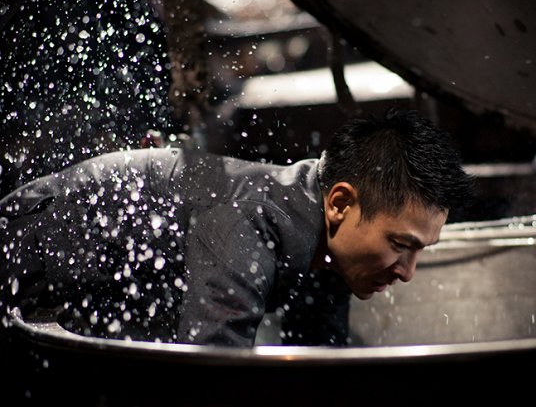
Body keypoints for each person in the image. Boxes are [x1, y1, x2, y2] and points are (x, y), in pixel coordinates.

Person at [0, 108, 473, 347]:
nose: (407, 272)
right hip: (32, 250)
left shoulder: (332, 247)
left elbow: (319, 359)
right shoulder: (253, 218)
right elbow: (214, 371)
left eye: (420, 251)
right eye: (400, 245)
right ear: (341, 203)